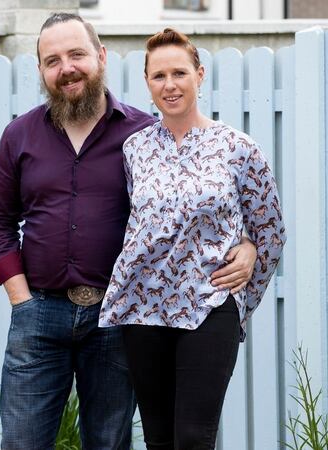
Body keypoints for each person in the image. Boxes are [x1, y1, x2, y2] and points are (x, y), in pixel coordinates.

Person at [0, 14, 258, 450]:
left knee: (110, 443)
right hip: (39, 316)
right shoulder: (19, 136)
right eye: (52, 60)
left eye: (76, 54)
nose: (66, 68)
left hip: (118, 317)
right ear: (40, 71)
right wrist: (21, 297)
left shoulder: (144, 137)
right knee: (21, 442)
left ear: (101, 57)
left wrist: (247, 244)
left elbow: (190, 212)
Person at [99, 28, 286, 450]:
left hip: (208, 305)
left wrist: (240, 298)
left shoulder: (239, 148)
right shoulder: (135, 149)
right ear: (147, 83)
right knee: (159, 437)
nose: (170, 85)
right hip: (143, 308)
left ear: (200, 75)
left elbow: (271, 231)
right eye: (159, 76)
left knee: (192, 437)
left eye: (179, 73)